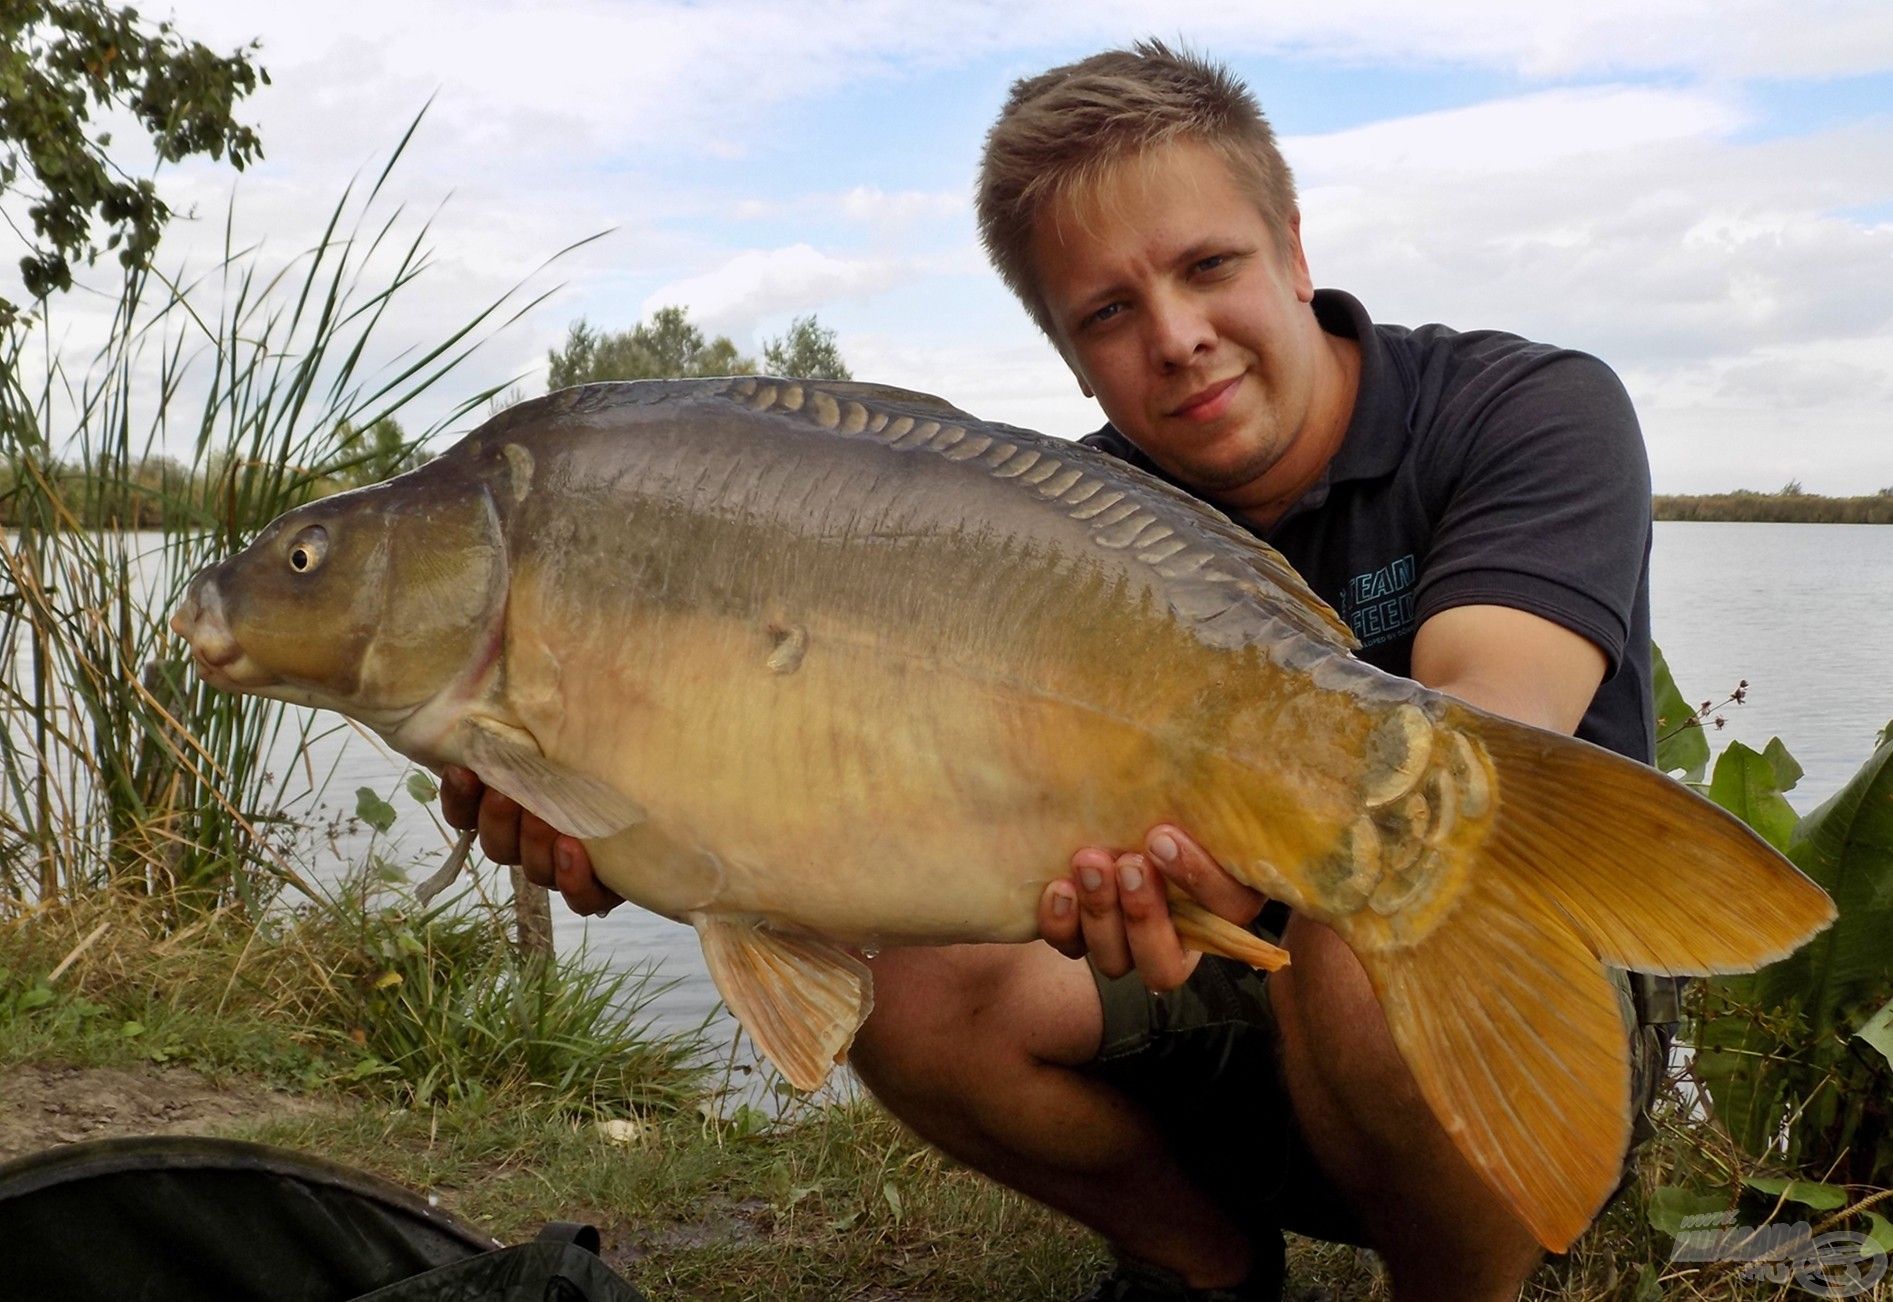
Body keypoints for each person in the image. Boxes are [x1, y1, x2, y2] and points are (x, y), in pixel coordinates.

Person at [441, 41, 1671, 1302]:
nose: (1179, 338)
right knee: (908, 985)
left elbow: (1487, 731)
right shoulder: (1049, 526)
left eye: (1208, 268)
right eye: (1109, 313)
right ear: (1068, 355)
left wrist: (1244, 864)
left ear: (1295, 251)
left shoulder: (1528, 409)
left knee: (1387, 905)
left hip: (1506, 990)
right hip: (1209, 974)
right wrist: (637, 810)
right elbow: (881, 834)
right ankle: (1197, 1264)